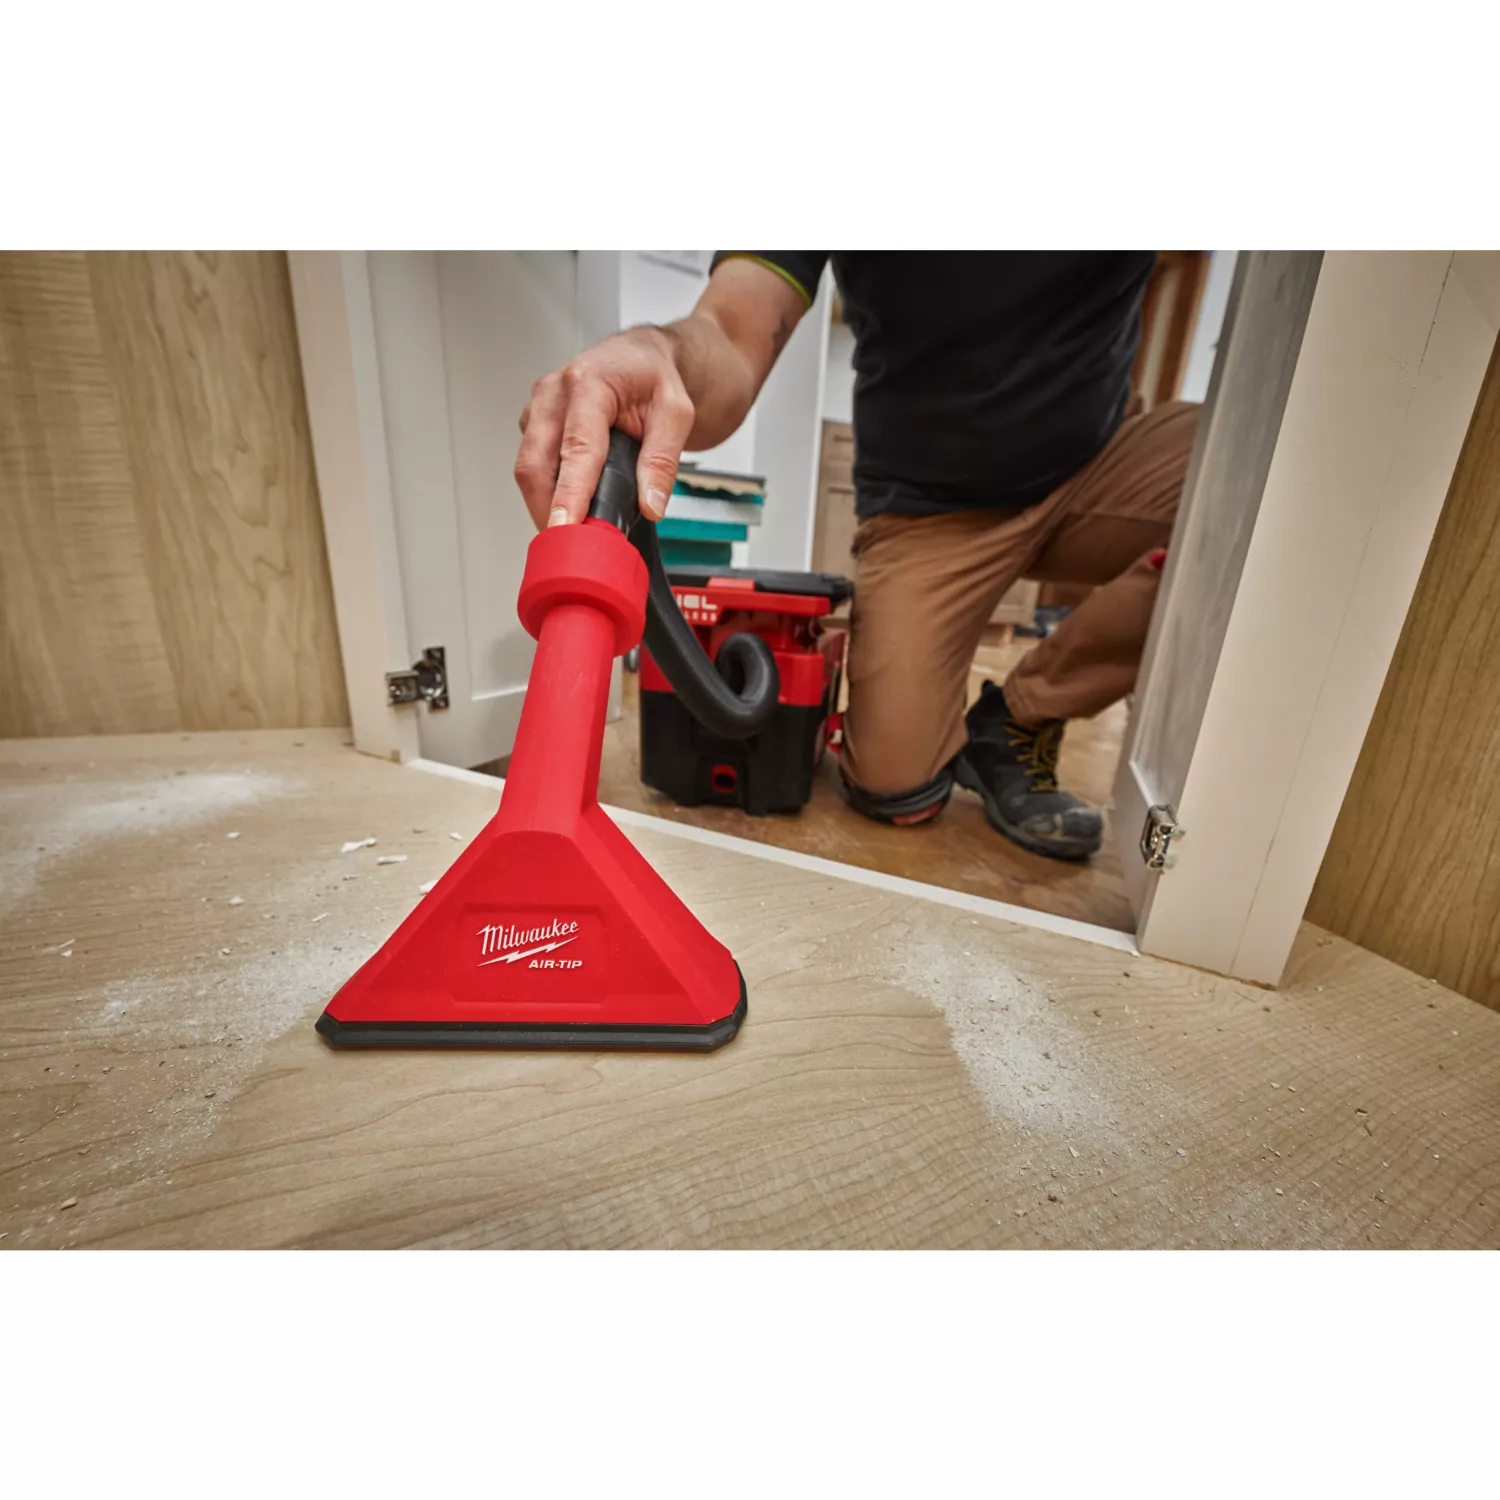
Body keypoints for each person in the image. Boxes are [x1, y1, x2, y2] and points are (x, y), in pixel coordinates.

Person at [515, 252, 1198, 862]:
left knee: (1248, 506)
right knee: (895, 786)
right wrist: (657, 348)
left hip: (1105, 467)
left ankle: (1025, 712)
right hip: (929, 508)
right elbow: (729, 332)